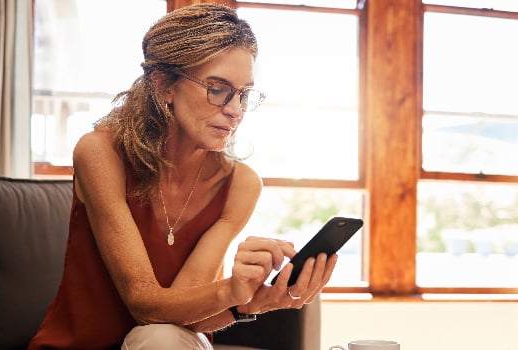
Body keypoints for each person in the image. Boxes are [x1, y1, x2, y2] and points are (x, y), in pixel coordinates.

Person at [27, 4, 337, 349]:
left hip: (163, 341)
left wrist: (255, 301)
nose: (235, 110)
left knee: (162, 337)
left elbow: (181, 316)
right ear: (164, 85)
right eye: (217, 89)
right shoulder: (100, 153)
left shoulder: (239, 184)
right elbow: (142, 303)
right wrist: (229, 289)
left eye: (244, 94)